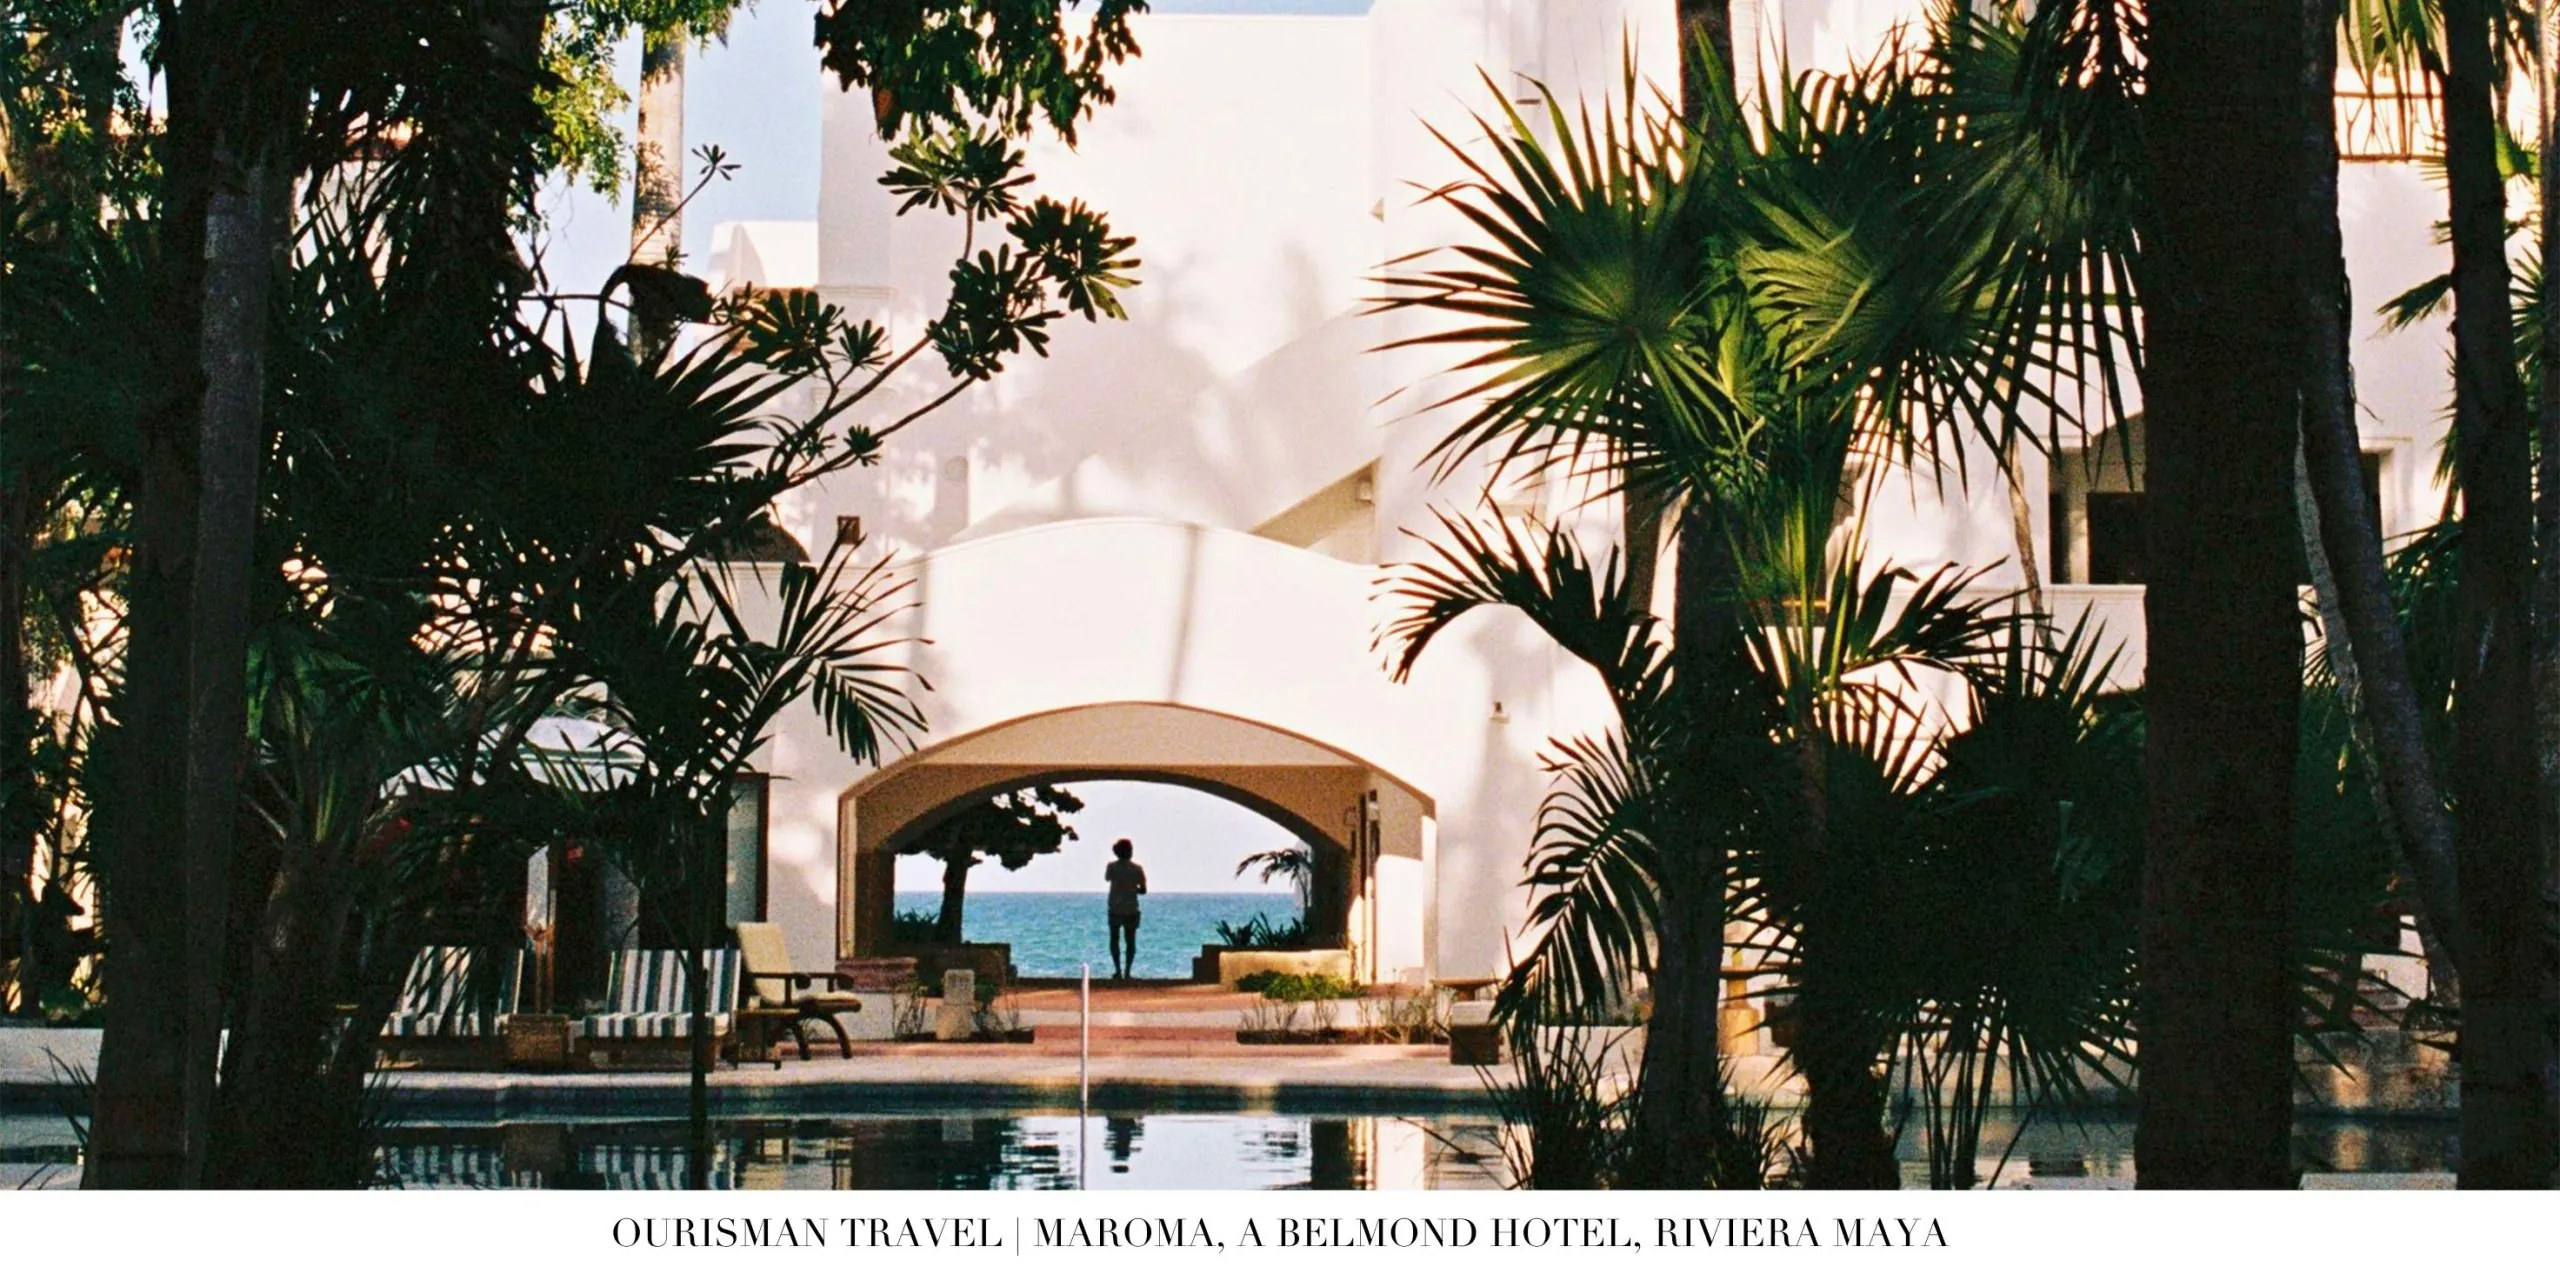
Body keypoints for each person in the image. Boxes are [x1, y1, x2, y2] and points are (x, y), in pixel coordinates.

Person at [1103, 838, 1148, 980]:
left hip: (1115, 907)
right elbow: (1143, 890)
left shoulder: (1111, 867)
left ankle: (1118, 970)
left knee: (1114, 939)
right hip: (1131, 908)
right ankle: (1127, 971)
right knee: (1130, 941)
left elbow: (1107, 878)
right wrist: (1133, 889)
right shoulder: (1137, 869)